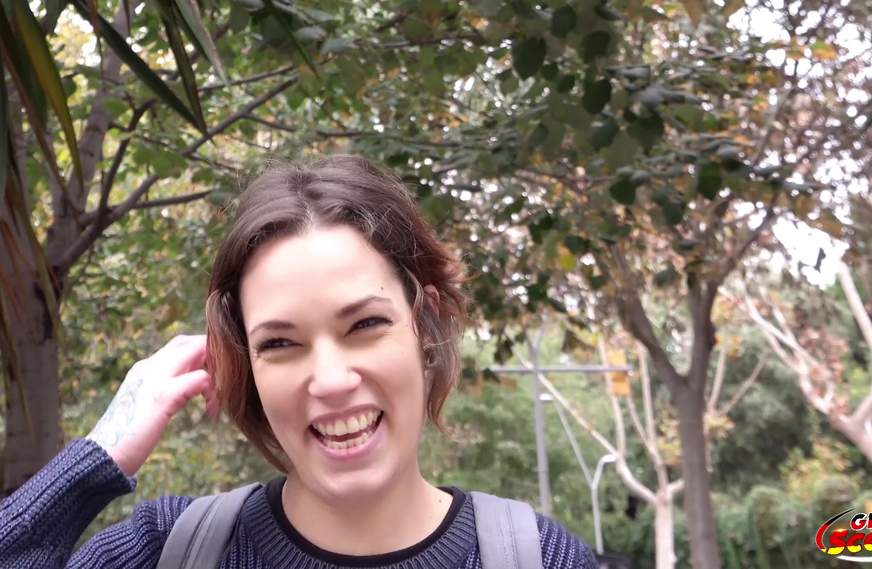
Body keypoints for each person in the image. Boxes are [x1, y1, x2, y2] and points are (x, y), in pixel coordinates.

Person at [0, 155, 598, 568]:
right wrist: (96, 460)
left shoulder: (540, 557)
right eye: (280, 344)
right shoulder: (166, 550)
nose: (331, 381)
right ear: (246, 364)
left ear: (425, 325)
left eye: (365, 325)